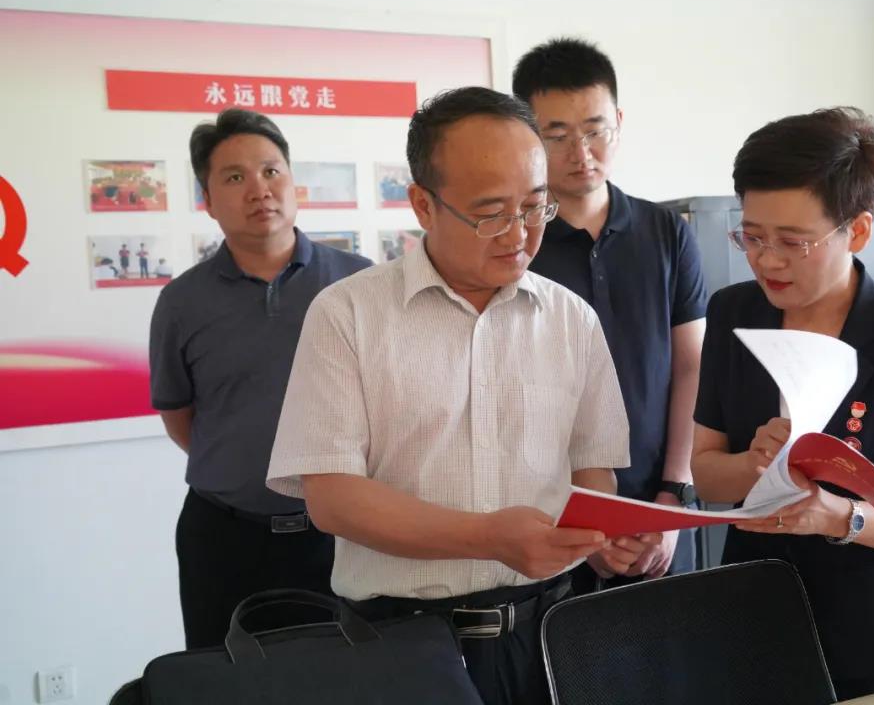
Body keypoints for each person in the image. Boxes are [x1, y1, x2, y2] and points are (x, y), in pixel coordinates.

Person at [266, 87, 659, 705]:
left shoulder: (570, 318)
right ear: (423, 203)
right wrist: (489, 536)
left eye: (535, 206)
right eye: (491, 213)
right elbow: (333, 498)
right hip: (399, 643)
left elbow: (592, 469)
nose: (520, 233)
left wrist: (603, 540)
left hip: (551, 635)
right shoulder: (347, 314)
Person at [691, 107, 874, 699]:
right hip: (749, 615)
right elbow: (707, 473)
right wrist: (757, 466)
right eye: (752, 236)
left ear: (859, 231)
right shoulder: (732, 312)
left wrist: (839, 516)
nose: (768, 260)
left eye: (793, 242)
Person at [149, 108, 372, 649]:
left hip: (344, 534)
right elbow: (181, 418)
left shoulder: (359, 283)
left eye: (271, 171)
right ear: (207, 200)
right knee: (225, 679)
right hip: (224, 538)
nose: (259, 189)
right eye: (234, 177)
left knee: (348, 678)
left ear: (293, 182)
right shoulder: (182, 301)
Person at [513, 38, 707, 589]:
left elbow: (691, 367)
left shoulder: (667, 233)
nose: (582, 153)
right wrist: (582, 524)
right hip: (546, 519)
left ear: (618, 122)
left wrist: (674, 497)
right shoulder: (514, 243)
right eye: (557, 135)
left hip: (659, 509)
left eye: (595, 130)